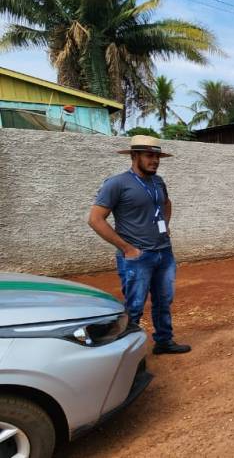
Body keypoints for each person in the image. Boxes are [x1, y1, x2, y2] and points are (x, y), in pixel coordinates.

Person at [87, 135, 191, 355]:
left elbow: (166, 203)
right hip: (137, 257)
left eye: (157, 156)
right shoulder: (117, 183)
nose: (155, 160)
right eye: (149, 156)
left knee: (164, 301)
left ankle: (164, 341)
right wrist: (127, 248)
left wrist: (166, 226)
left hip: (164, 253)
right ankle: (126, 353)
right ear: (134, 156)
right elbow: (95, 219)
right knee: (134, 306)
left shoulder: (158, 182)